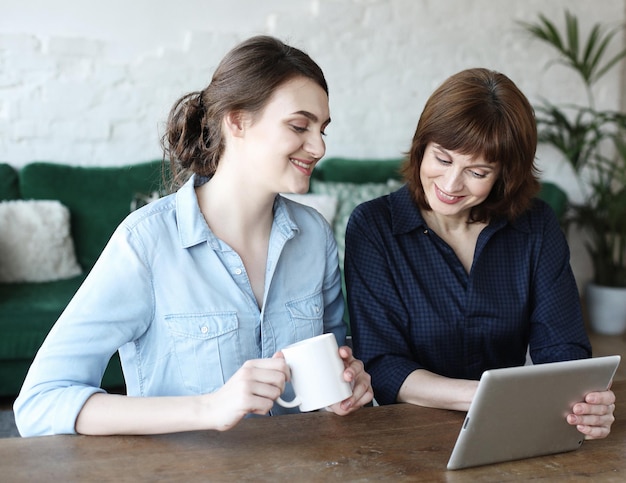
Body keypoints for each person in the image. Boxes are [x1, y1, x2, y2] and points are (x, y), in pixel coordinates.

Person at [15, 35, 373, 437]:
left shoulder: (314, 237)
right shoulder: (146, 242)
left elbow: (328, 381)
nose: (319, 146)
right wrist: (209, 407)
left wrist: (349, 389)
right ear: (237, 120)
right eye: (299, 126)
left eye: (323, 129)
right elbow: (41, 402)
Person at [345, 68, 615, 439]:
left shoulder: (535, 226)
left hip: (511, 427)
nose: (451, 185)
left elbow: (562, 346)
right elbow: (383, 364)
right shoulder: (374, 226)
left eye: (477, 171)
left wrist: (584, 404)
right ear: (422, 145)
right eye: (442, 158)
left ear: (505, 174)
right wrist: (489, 396)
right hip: (408, 434)